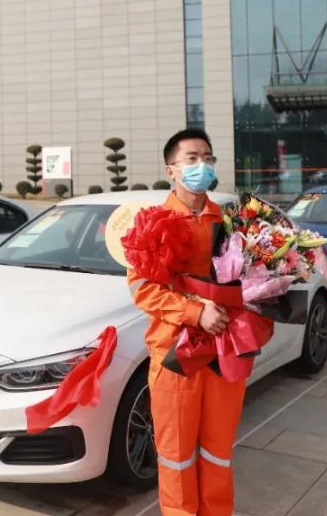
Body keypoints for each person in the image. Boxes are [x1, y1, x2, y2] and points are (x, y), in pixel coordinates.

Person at [127, 128, 242, 516]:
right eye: (192, 159)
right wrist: (196, 312)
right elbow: (143, 290)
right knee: (176, 456)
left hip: (223, 352)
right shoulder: (153, 223)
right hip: (175, 355)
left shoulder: (229, 221)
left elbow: (251, 279)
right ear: (171, 170)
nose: (202, 165)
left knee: (218, 450)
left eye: (207, 158)